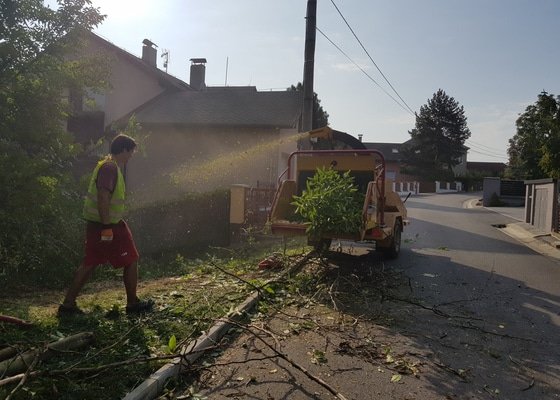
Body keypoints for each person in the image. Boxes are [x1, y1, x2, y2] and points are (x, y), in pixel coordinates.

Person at [59, 134, 153, 316]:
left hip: (103, 224)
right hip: (108, 225)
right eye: (131, 152)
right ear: (124, 149)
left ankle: (67, 305)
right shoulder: (110, 168)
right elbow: (103, 196)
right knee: (131, 258)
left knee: (91, 262)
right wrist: (107, 227)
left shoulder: (108, 166)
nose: (131, 156)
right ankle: (132, 304)